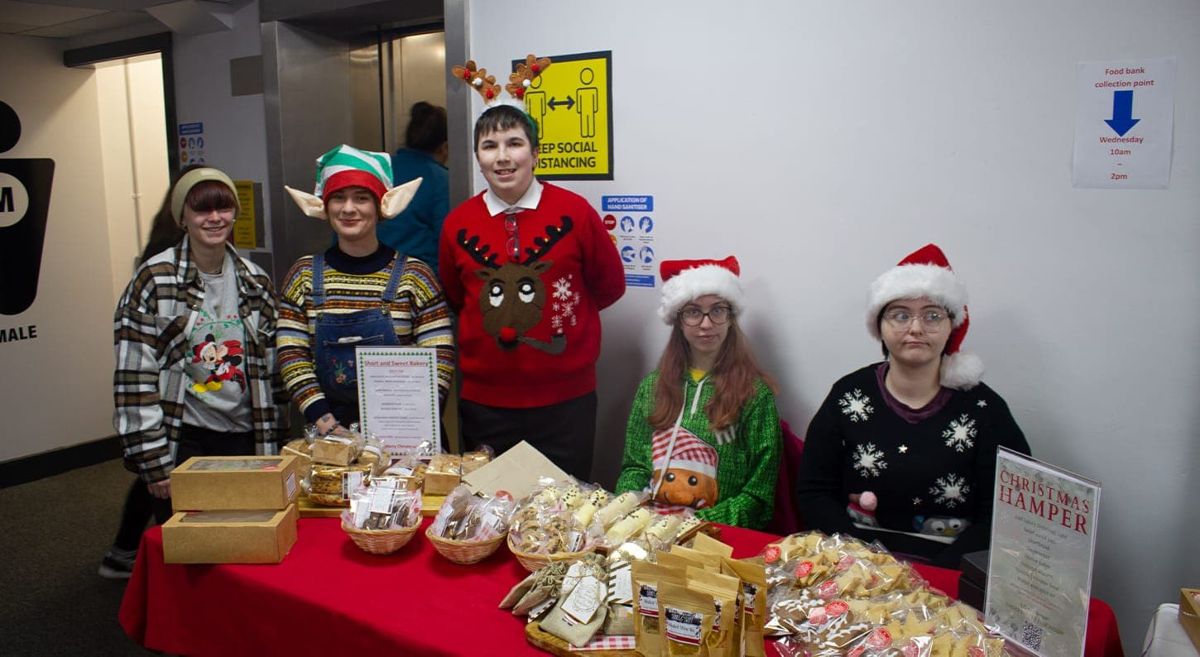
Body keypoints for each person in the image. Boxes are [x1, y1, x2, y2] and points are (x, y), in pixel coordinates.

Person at [101, 166, 288, 578]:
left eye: (223, 207)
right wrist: (154, 464)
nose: (214, 218)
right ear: (182, 216)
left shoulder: (255, 281)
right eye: (202, 209)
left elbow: (273, 373)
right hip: (185, 441)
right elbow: (135, 380)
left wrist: (279, 446)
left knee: (244, 551)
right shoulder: (154, 280)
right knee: (192, 559)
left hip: (246, 437)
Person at [795, 244, 1030, 567]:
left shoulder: (984, 410)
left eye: (932, 315)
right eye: (900, 315)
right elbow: (814, 491)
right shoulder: (848, 395)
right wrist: (864, 560)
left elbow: (1006, 513)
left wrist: (938, 574)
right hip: (855, 567)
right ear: (879, 325)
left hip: (950, 575)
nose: (916, 328)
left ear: (953, 326)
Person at [438, 103, 625, 480]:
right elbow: (459, 299)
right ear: (477, 157)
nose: (503, 157)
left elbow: (609, 285)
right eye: (490, 146)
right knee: (490, 514)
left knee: (564, 518)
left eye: (514, 143)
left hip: (565, 403)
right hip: (485, 405)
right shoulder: (457, 224)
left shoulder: (575, 213)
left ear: (536, 153)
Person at [278, 145, 454, 438]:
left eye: (361, 198)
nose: (348, 209)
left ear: (380, 206)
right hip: (329, 437)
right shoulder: (304, 276)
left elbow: (440, 356)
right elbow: (291, 354)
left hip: (407, 436)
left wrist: (412, 421)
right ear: (325, 206)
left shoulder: (416, 275)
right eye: (338, 198)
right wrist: (328, 425)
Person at [615, 256, 781, 529]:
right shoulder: (652, 387)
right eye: (693, 311)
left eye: (717, 311)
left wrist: (694, 524)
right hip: (647, 529)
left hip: (714, 536)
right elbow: (634, 467)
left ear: (731, 318)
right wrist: (630, 507)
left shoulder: (755, 395)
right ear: (679, 320)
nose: (706, 324)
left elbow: (758, 496)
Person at [380, 101, 449, 272]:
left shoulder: (379, 170)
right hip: (419, 280)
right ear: (445, 147)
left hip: (369, 278)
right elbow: (446, 242)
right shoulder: (441, 180)